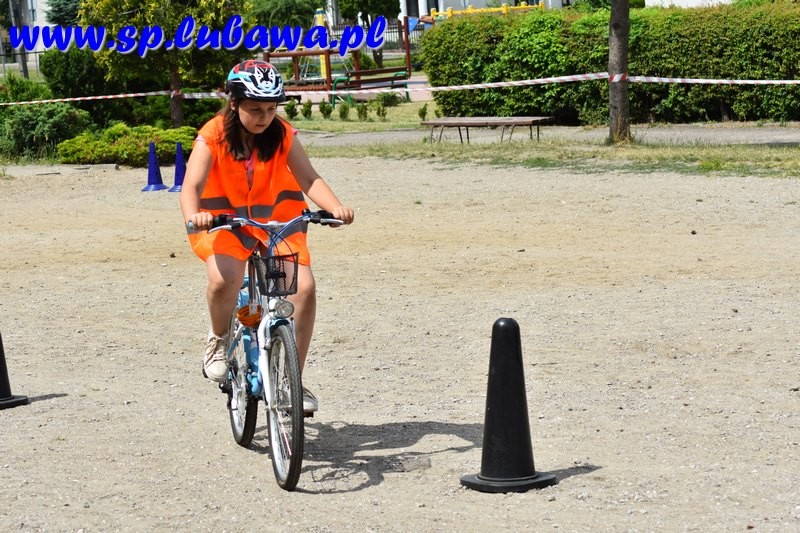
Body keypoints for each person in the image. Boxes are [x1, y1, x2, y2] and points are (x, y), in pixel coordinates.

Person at [179, 60, 354, 414]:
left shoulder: (282, 134)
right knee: (223, 279)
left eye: (271, 109)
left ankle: (291, 380)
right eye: (256, 109)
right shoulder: (213, 135)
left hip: (277, 223)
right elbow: (190, 186)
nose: (265, 117)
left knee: (303, 289)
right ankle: (218, 340)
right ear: (234, 103)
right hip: (226, 223)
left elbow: (308, 178)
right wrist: (194, 215)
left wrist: (334, 207)